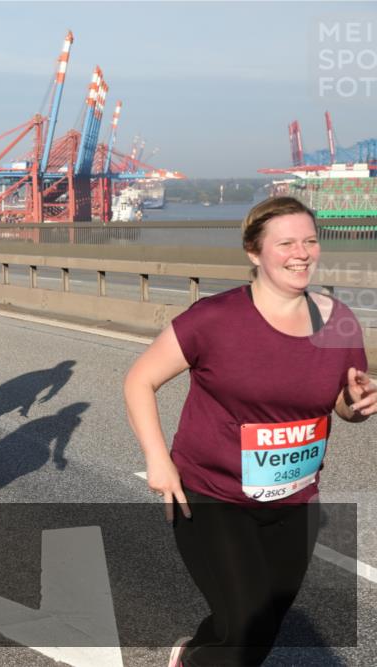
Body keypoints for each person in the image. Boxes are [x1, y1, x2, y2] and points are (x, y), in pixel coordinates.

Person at [123, 196, 375, 667]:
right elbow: (141, 379)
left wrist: (358, 404)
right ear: (254, 252)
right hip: (213, 494)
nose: (301, 252)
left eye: (310, 240)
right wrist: (159, 462)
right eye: (286, 243)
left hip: (296, 498)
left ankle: (192, 654)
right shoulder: (214, 319)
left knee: (259, 627)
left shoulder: (338, 320)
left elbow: (342, 403)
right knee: (247, 632)